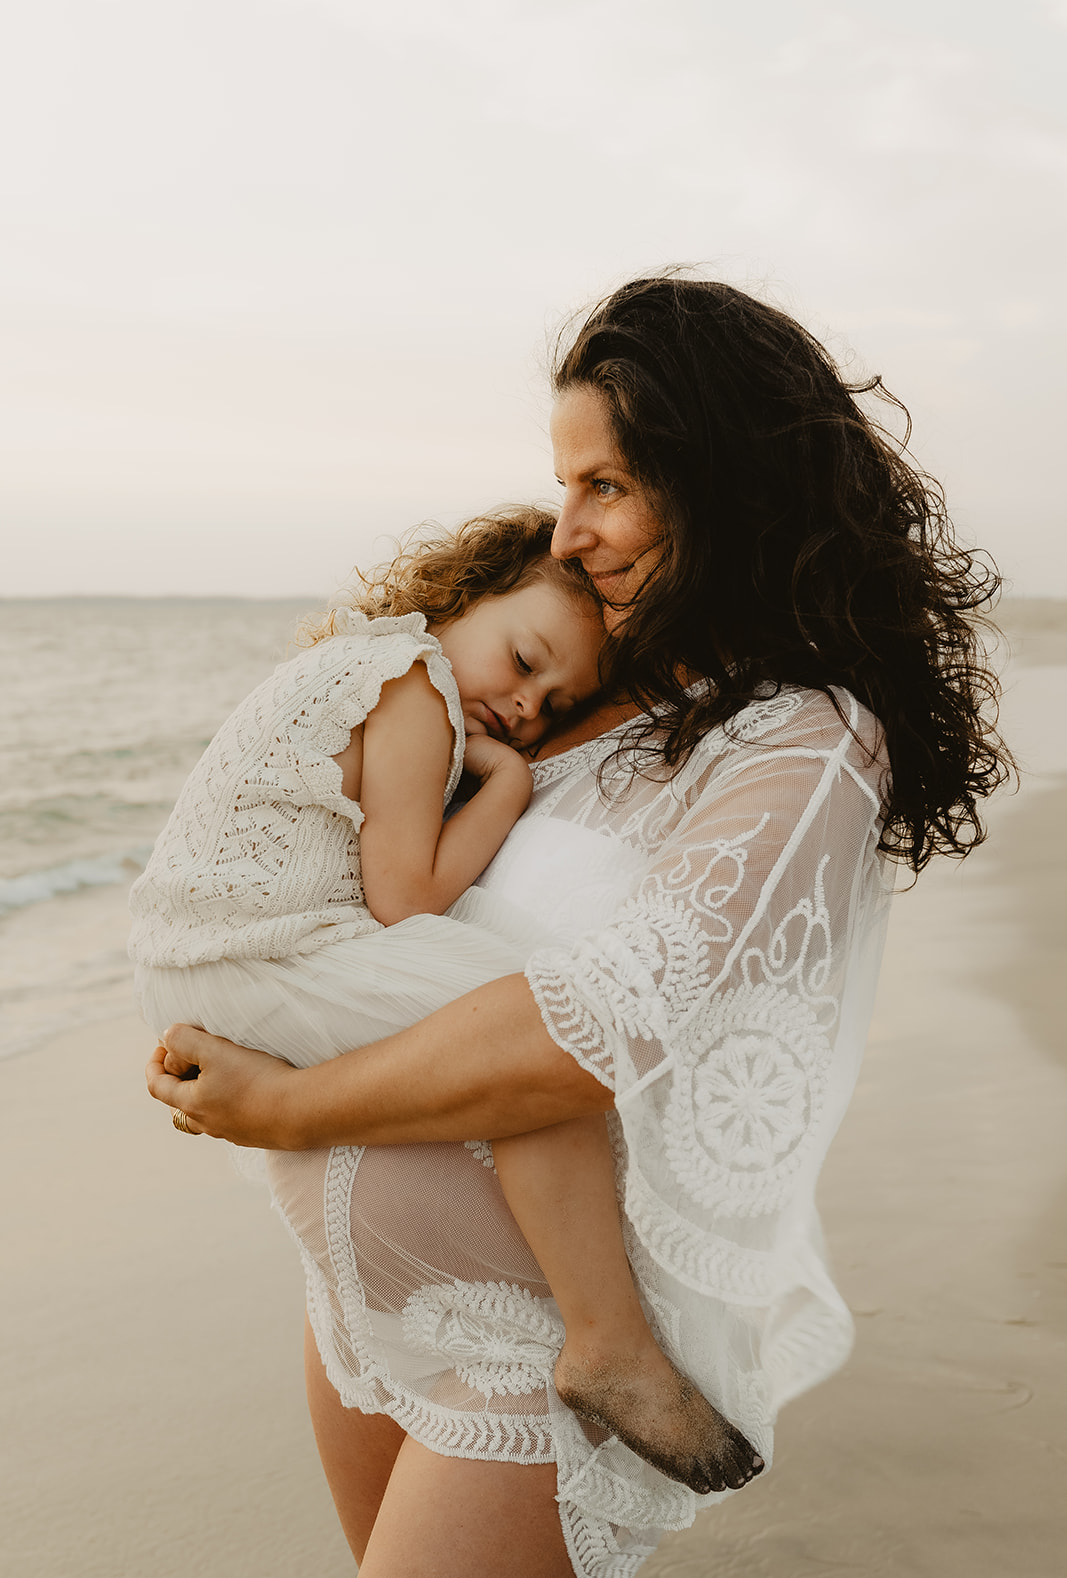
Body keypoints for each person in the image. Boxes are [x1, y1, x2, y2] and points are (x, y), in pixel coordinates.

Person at [147, 276, 1011, 1578]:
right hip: (359, 1311)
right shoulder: (560, 694)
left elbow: (585, 1028)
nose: (570, 531)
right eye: (564, 486)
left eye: (606, 485)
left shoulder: (800, 743)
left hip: (526, 1339)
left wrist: (284, 1106)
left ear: (721, 480)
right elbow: (366, 897)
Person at [129, 504, 762, 1503]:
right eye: (522, 659)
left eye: (551, 702)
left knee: (516, 1023)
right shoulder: (413, 682)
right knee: (538, 1028)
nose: (523, 702)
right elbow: (406, 898)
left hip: (203, 956)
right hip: (258, 953)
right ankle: (608, 1342)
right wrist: (508, 783)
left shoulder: (359, 661)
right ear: (464, 595)